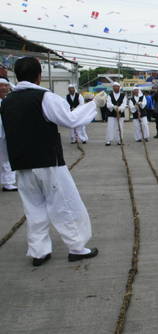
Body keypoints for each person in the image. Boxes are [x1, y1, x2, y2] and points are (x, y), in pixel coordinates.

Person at [0, 57, 106, 266]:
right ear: (39, 76)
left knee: (34, 208)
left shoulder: (6, 103)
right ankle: (77, 247)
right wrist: (94, 104)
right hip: (48, 162)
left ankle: (39, 252)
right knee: (65, 204)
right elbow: (71, 120)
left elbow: (3, 138)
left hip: (21, 165)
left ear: (16, 76)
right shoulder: (45, 97)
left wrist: (8, 164)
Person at [0, 76, 17, 192]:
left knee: (6, 158)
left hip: (6, 134)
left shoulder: (8, 99)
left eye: (7, 85)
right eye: (3, 85)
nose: (5, 88)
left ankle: (8, 182)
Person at [104, 82, 127, 146]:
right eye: (114, 87)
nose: (116, 88)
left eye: (117, 87)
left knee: (120, 127)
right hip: (111, 114)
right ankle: (108, 140)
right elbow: (108, 104)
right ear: (113, 88)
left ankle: (119, 140)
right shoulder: (109, 95)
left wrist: (119, 109)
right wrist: (114, 107)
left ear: (119, 87)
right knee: (110, 127)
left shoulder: (123, 95)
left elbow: (124, 104)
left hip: (120, 114)